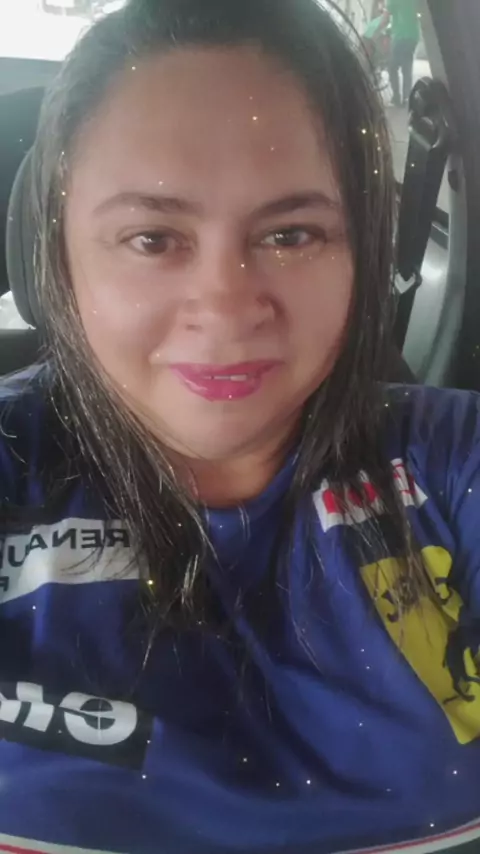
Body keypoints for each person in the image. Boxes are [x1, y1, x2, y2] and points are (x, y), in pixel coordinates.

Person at [1, 0, 480, 852]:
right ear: (59, 253)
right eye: (152, 239)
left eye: (292, 234)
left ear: (363, 247)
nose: (225, 309)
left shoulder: (451, 464)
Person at [387, 0, 420, 107]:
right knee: (407, 67)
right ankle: (407, 98)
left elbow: (386, 15)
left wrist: (374, 32)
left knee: (392, 67)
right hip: (413, 35)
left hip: (400, 36)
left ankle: (397, 97)